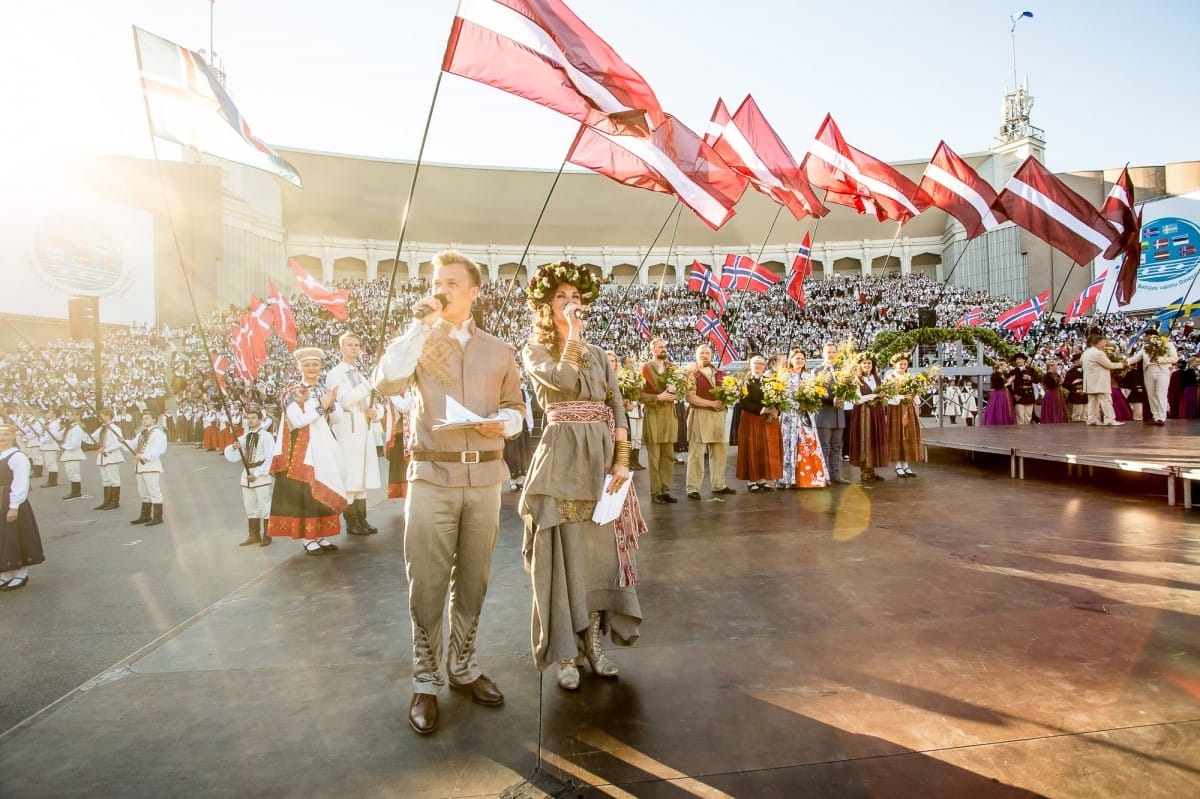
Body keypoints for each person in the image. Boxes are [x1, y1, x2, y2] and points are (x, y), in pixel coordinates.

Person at [372, 250, 524, 736]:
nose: (443, 289)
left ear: (474, 290)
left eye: (453, 282)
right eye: (438, 281)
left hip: (483, 479)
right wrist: (418, 325)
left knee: (474, 579)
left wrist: (507, 422)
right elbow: (385, 380)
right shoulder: (419, 341)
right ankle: (425, 677)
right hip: (431, 477)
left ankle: (462, 665)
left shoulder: (499, 350)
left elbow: (516, 408)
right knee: (427, 581)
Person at [518, 261, 643, 692]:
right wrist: (571, 338)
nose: (571, 304)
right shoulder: (535, 349)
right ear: (545, 307)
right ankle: (565, 654)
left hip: (601, 462)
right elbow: (562, 383)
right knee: (564, 559)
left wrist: (622, 461)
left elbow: (618, 408)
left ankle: (593, 644)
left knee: (596, 560)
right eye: (561, 298)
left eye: (576, 298)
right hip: (561, 461)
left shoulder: (599, 355)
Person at [266, 347, 348, 554]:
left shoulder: (322, 390)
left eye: (315, 365)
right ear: (300, 367)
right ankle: (307, 537)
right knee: (306, 492)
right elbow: (298, 421)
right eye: (307, 365)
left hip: (324, 445)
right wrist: (322, 407)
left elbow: (337, 419)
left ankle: (319, 534)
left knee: (325, 484)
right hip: (304, 449)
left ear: (320, 367)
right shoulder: (294, 393)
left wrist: (331, 405)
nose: (312, 368)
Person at [324, 332, 382, 536]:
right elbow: (345, 401)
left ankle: (361, 517)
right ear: (341, 348)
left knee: (362, 474)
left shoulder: (360, 371)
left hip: (363, 429)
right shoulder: (334, 374)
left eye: (357, 344)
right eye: (350, 344)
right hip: (347, 430)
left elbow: (372, 401)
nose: (354, 348)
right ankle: (351, 520)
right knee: (351, 474)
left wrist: (376, 412)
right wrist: (369, 384)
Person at [684, 344, 735, 499]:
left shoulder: (721, 373)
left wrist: (726, 401)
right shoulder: (691, 373)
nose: (704, 355)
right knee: (697, 454)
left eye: (707, 353)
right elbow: (690, 397)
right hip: (700, 414)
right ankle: (693, 487)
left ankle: (719, 485)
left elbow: (729, 394)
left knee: (720, 452)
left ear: (712, 355)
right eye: (701, 353)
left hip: (718, 417)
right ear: (696, 355)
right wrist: (712, 403)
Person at [0, 422, 44, 591]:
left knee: (14, 535)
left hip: (10, 499)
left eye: (6, 434)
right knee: (3, 536)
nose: (2, 438)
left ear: (13, 437)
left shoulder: (17, 457)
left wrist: (14, 506)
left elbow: (20, 482)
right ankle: (6, 573)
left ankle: (20, 573)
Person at [224, 405, 274, 547]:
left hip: (261, 474)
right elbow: (232, 457)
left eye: (253, 418)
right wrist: (234, 447)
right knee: (250, 505)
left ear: (260, 420)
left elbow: (270, 458)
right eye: (248, 418)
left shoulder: (266, 436)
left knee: (264, 505)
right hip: (247, 474)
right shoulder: (245, 436)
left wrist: (257, 473)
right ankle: (254, 535)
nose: (250, 421)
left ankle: (267, 535)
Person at [779, 349, 828, 488]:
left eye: (802, 359)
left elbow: (815, 395)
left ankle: (810, 477)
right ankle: (788, 478)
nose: (799, 361)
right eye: (797, 358)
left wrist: (809, 404)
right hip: (791, 415)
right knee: (790, 444)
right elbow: (782, 396)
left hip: (806, 415)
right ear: (791, 360)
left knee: (808, 444)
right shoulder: (785, 376)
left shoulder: (808, 376)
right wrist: (796, 405)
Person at [640, 338, 680, 503]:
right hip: (654, 414)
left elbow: (682, 392)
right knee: (654, 456)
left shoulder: (673, 369)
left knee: (668, 455)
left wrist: (676, 392)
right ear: (653, 350)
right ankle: (655, 492)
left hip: (669, 414)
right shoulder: (644, 369)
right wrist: (658, 396)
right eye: (660, 347)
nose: (664, 349)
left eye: (665, 346)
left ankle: (665, 490)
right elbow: (639, 395)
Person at [736, 355, 784, 491]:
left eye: (761, 363)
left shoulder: (772, 381)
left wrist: (776, 410)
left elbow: (779, 400)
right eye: (755, 363)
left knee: (764, 449)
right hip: (751, 419)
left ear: (765, 366)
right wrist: (763, 409)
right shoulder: (745, 381)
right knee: (753, 448)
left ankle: (762, 479)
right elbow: (744, 402)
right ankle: (752, 480)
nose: (758, 366)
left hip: (767, 422)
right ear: (750, 365)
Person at [813, 342, 851, 485]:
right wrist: (832, 399)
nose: (831, 354)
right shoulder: (817, 370)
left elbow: (849, 387)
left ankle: (835, 474)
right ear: (823, 353)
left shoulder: (843, 370)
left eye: (833, 352)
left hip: (839, 414)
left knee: (836, 446)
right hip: (824, 414)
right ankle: (824, 475)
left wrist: (845, 395)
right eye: (828, 352)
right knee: (824, 446)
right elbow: (817, 392)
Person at [848, 355, 890, 482]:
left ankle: (872, 469)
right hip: (863, 412)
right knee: (864, 439)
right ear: (860, 365)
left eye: (869, 363)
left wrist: (882, 395)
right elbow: (858, 399)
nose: (867, 365)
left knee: (874, 439)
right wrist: (875, 395)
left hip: (876, 411)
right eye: (864, 363)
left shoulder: (876, 378)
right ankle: (864, 470)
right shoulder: (856, 380)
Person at [1128, 330, 1179, 425]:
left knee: (1161, 394)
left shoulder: (1167, 344)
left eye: (1146, 336)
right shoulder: (1145, 347)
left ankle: (1162, 417)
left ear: (1153, 336)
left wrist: (1160, 359)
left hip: (1162, 371)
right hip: (1148, 372)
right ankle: (1155, 416)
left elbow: (1174, 358)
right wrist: (1124, 362)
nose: (1144, 338)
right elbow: (1136, 358)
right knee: (1151, 395)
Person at [127, 411, 168, 526]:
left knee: (154, 491)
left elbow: (159, 450)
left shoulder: (158, 433)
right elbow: (133, 444)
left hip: (151, 466)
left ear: (154, 419)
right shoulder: (142, 433)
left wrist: (144, 456)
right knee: (143, 492)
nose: (144, 421)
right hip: (140, 466)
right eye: (143, 419)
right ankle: (145, 515)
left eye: (147, 418)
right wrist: (122, 441)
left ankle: (158, 516)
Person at [883, 354, 921, 478]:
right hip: (896, 409)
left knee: (908, 435)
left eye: (905, 364)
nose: (903, 366)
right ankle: (898, 465)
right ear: (894, 365)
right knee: (897, 436)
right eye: (900, 364)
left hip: (908, 408)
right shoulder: (890, 377)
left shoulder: (910, 377)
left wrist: (913, 395)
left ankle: (906, 464)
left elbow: (916, 394)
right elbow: (888, 396)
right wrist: (902, 397)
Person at [1081, 334, 1128, 426]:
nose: (1105, 343)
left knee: (1093, 401)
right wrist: (1121, 365)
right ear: (1099, 342)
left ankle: (1092, 419)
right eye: (1104, 341)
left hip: (1089, 381)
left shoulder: (1086, 352)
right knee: (1106, 400)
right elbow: (1109, 365)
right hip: (1099, 381)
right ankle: (1109, 419)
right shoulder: (1098, 353)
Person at [91, 408, 125, 511]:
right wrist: (82, 430)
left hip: (112, 456)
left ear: (108, 416)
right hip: (102, 457)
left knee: (114, 479)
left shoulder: (115, 428)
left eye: (101, 415)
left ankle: (115, 502)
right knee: (105, 480)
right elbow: (92, 438)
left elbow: (119, 443)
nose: (100, 417)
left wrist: (106, 449)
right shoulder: (102, 428)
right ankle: (106, 501)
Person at [58, 407, 89, 500]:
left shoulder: (77, 428)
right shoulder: (70, 427)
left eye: (72, 415)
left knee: (74, 472)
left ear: (78, 416)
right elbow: (59, 435)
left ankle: (76, 492)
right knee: (70, 472)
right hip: (69, 453)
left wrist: (64, 446)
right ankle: (74, 491)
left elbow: (75, 444)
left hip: (73, 453)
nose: (69, 417)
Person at [980, 361, 1015, 426]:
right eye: (1005, 366)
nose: (1006, 367)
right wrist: (1008, 383)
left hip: (1004, 393)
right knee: (998, 408)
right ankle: (997, 421)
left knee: (1004, 408)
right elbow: (997, 386)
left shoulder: (1003, 374)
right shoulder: (995, 375)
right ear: (1000, 366)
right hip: (998, 394)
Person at [1009, 353, 1037, 425]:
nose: (1017, 361)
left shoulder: (1031, 370)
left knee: (1028, 417)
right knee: (1020, 417)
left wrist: (1029, 378)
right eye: (1016, 359)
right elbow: (1009, 385)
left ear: (1024, 360)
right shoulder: (1013, 371)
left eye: (1019, 359)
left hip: (1029, 395)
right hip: (1019, 396)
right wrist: (1014, 395)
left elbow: (1038, 379)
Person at [39, 409, 64, 488]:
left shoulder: (54, 424)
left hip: (51, 445)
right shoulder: (49, 423)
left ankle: (53, 481)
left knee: (51, 463)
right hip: (47, 445)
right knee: (48, 463)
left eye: (49, 412)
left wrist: (42, 439)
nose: (46, 414)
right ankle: (51, 480)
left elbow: (52, 436)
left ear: (54, 415)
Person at [1063, 356, 1087, 422]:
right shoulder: (1070, 372)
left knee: (1085, 415)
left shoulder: (1087, 371)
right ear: (1075, 361)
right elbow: (1065, 384)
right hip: (1076, 395)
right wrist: (1075, 389)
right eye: (1078, 360)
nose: (1079, 361)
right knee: (1076, 415)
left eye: (1080, 360)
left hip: (1085, 394)